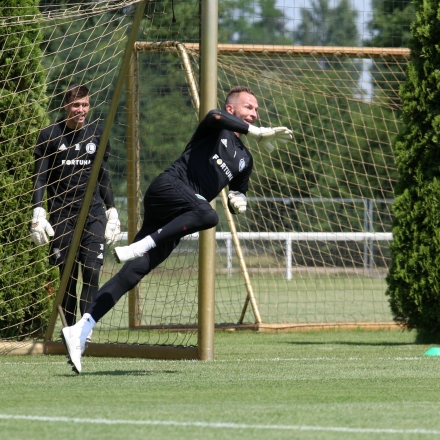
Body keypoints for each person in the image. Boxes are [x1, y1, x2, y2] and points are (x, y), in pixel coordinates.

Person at [60, 85, 293, 373]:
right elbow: (214, 115)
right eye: (249, 108)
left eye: (257, 110)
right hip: (168, 189)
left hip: (181, 214)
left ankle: (81, 328)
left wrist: (239, 200)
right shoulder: (215, 126)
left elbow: (238, 192)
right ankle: (141, 245)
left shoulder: (246, 159)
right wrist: (255, 132)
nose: (254, 114)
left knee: (134, 271)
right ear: (232, 109)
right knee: (208, 215)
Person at [30, 84, 121, 334]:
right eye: (76, 105)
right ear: (65, 106)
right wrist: (38, 210)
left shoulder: (97, 134)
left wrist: (112, 209)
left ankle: (84, 331)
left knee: (92, 270)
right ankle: (70, 331)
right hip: (62, 214)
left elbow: (103, 176)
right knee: (68, 276)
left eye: (85, 105)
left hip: (93, 213)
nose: (81, 110)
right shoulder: (49, 135)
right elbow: (40, 177)